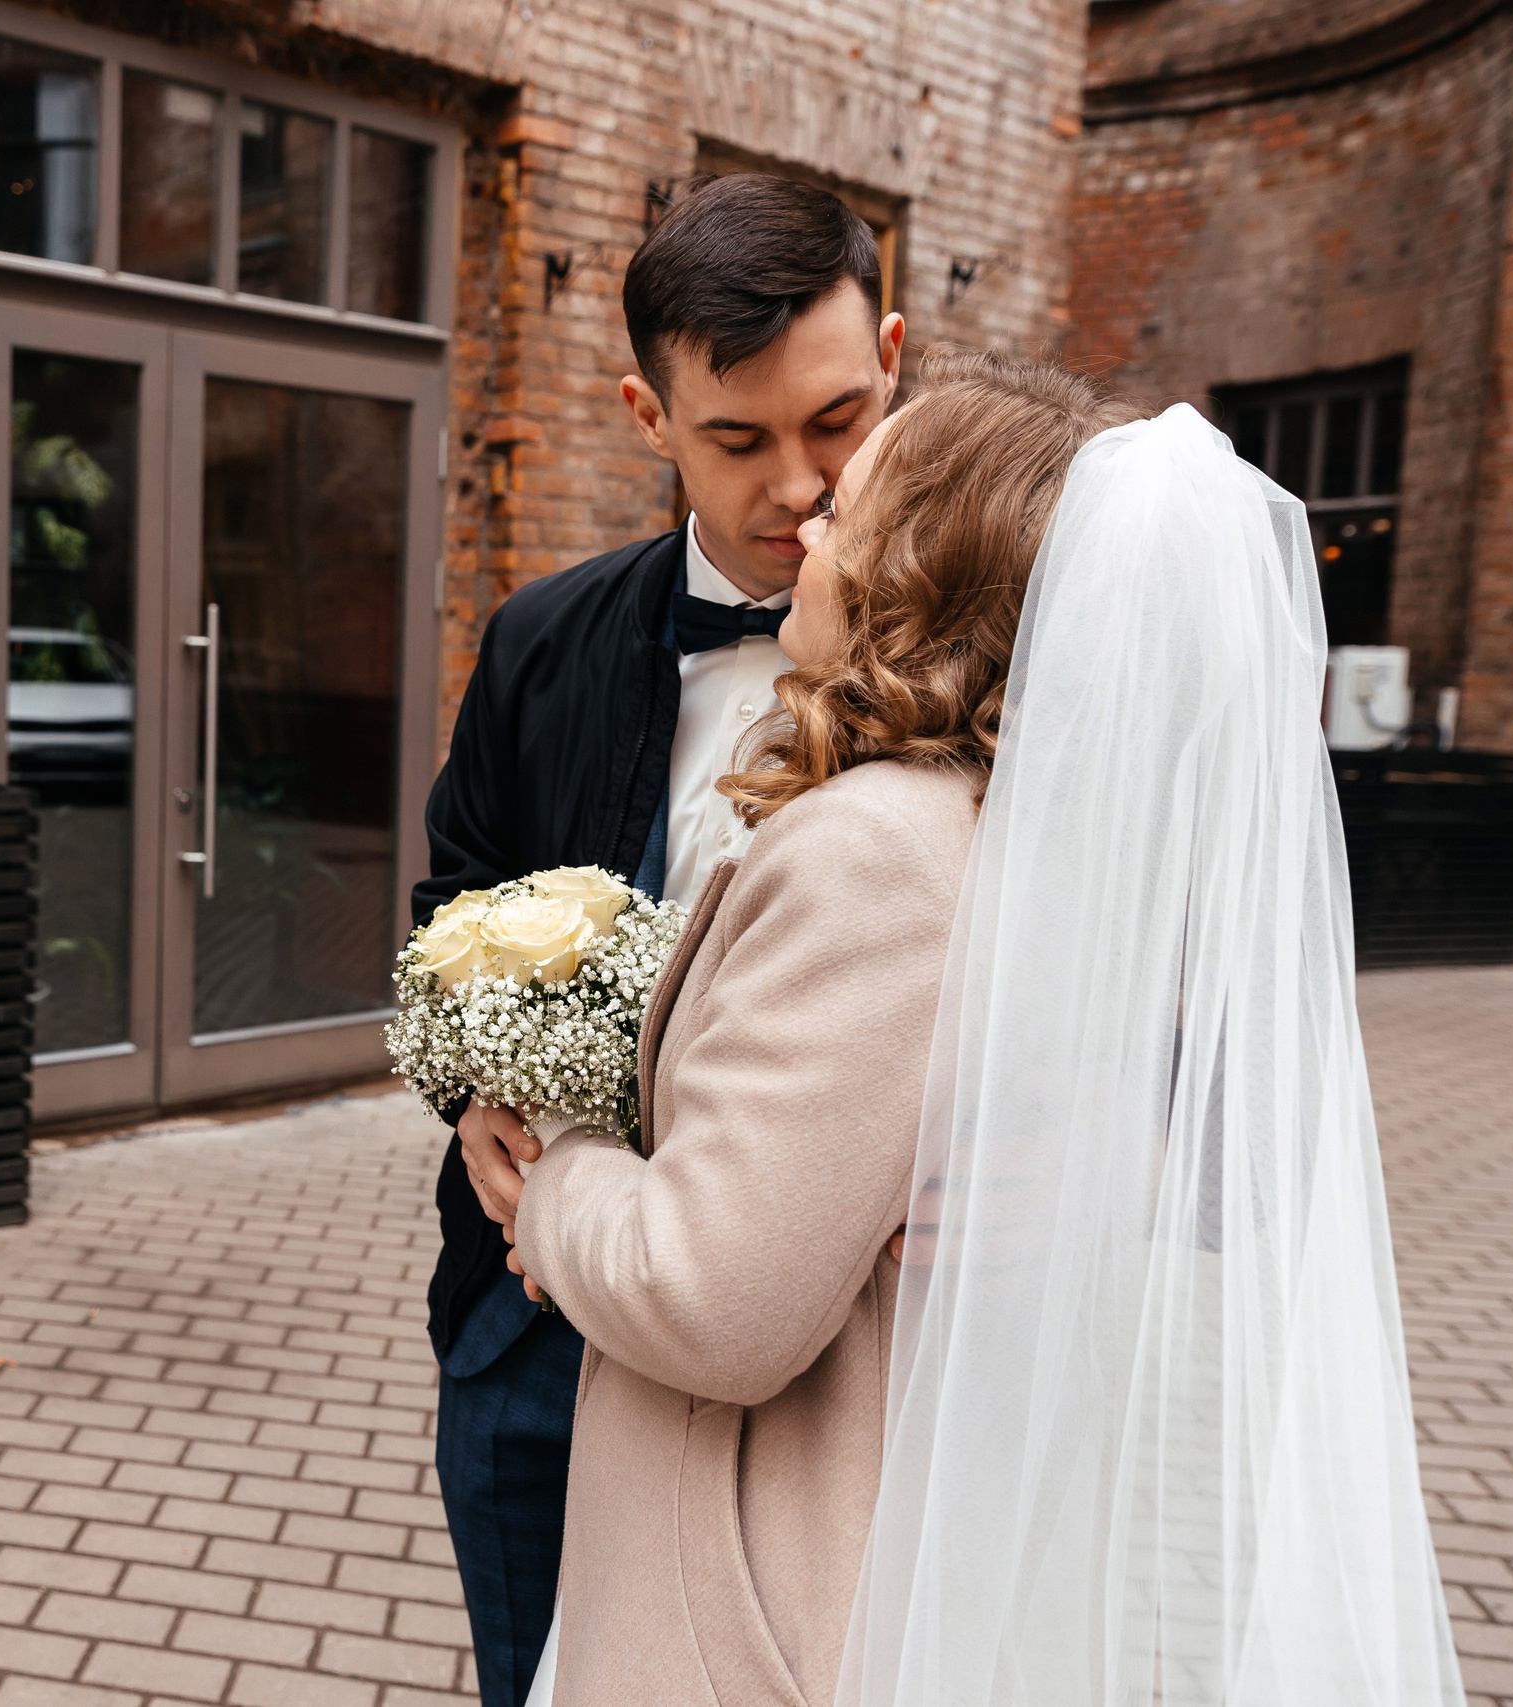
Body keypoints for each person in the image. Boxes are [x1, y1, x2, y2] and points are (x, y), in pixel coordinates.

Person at [508, 349, 1465, 1706]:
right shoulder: (1039, 840)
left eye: (846, 512)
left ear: (916, 577)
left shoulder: (875, 851)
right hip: (933, 1546)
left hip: (776, 1585)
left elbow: (710, 1297)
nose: (809, 532)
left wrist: (557, 1175)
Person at [413, 172, 904, 1707]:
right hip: (528, 1331)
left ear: (894, 356)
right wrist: (475, 1099)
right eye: (737, 439)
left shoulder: (985, 666)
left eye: (838, 421)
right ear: (648, 415)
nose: (800, 489)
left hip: (816, 1377)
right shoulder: (540, 640)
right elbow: (451, 907)